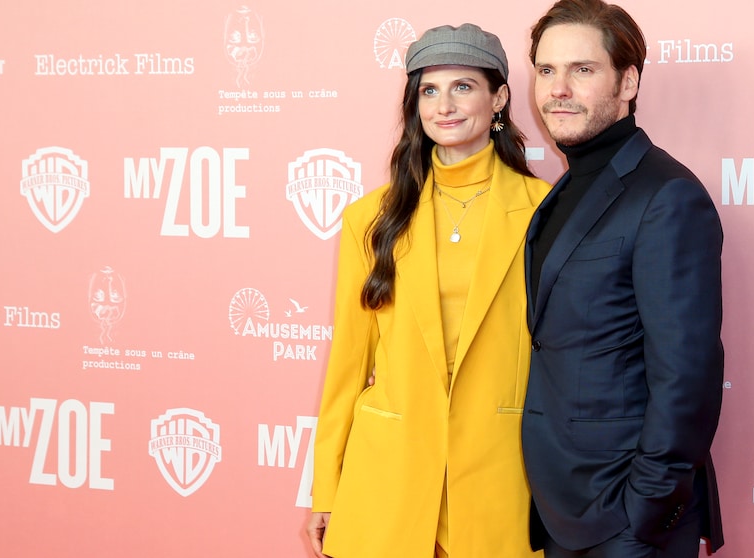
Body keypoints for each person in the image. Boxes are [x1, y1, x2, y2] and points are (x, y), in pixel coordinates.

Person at [306, 23, 551, 558]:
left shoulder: (544, 211)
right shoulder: (370, 217)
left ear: (500, 97)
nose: (445, 105)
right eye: (429, 90)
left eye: (463, 86)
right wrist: (326, 484)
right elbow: (348, 363)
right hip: (389, 476)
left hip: (501, 474)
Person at [520, 1, 725, 557]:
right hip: (563, 504)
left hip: (627, 519)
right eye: (546, 71)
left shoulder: (666, 195)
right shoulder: (564, 188)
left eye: (582, 70)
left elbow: (687, 375)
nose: (558, 88)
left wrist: (645, 512)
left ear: (628, 81)